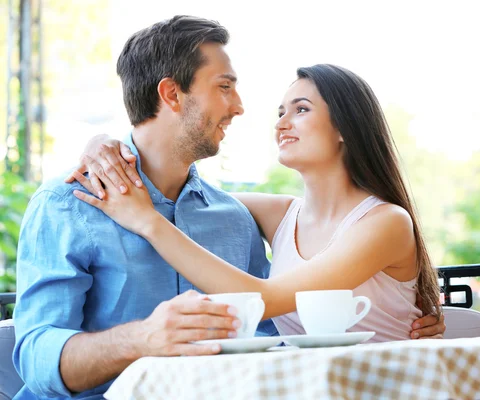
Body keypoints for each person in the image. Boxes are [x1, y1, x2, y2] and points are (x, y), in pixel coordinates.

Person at [14, 16, 443, 400]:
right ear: (171, 94)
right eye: (225, 86)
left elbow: (265, 330)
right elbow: (35, 360)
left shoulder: (234, 217)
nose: (240, 107)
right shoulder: (68, 205)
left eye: (300, 109)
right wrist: (142, 339)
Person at [70, 63, 443, 342]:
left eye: (300, 110)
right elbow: (171, 191)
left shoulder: (386, 222)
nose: (281, 124)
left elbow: (264, 301)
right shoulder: (278, 215)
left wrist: (148, 222)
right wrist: (102, 145)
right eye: (280, 113)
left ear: (345, 127)